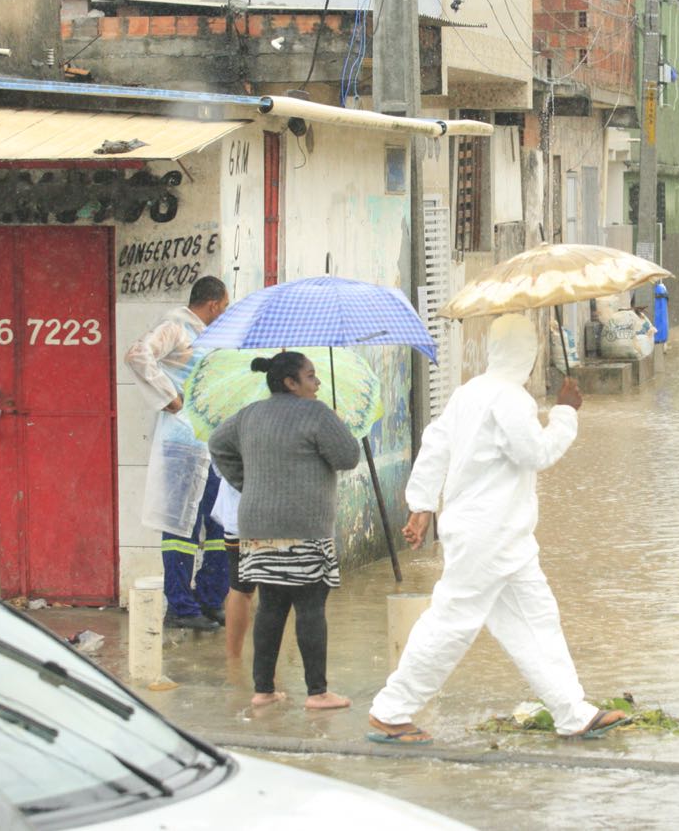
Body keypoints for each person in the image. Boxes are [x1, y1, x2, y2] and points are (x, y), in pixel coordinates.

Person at [368, 314, 628, 745]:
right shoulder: (511, 399)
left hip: (502, 536)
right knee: (451, 622)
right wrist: (565, 412)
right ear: (528, 354)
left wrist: (421, 505)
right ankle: (391, 711)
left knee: (538, 620)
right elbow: (535, 453)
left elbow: (435, 447)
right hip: (490, 536)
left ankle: (572, 711)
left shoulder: (468, 393)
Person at [209, 352, 360, 710]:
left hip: (257, 528)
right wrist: (336, 422)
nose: (317, 383)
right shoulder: (318, 414)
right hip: (304, 526)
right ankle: (318, 692)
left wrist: (248, 483)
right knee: (310, 605)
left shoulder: (249, 415)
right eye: (310, 376)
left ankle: (263, 691)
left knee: (271, 606)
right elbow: (348, 457)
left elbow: (217, 443)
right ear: (290, 383)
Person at [125, 276, 230, 631]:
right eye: (225, 306)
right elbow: (138, 355)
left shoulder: (211, 335)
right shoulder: (175, 326)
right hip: (183, 443)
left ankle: (210, 599)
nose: (225, 312)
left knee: (218, 522)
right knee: (181, 524)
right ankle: (181, 607)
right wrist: (169, 398)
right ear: (214, 303)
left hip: (211, 444)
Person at [208, 469, 254, 660]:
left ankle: (234, 661)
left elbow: (220, 467)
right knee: (275, 594)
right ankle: (267, 671)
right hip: (265, 512)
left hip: (237, 513)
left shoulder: (222, 438)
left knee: (241, 588)